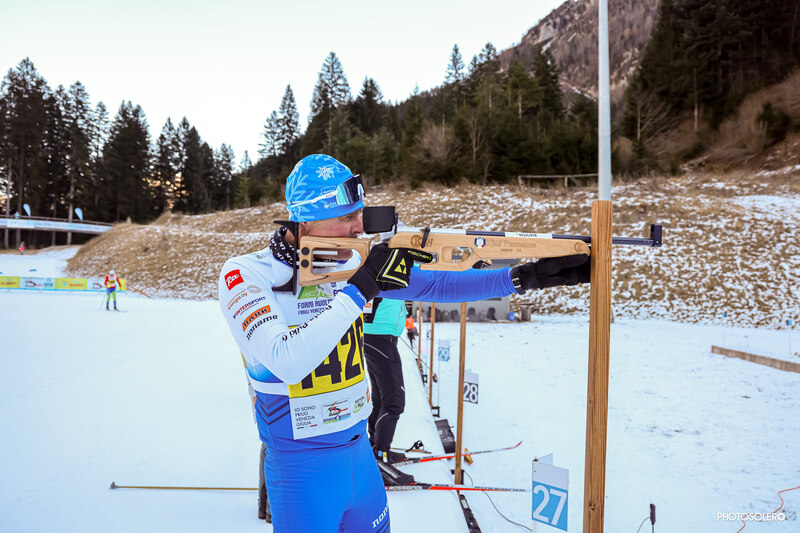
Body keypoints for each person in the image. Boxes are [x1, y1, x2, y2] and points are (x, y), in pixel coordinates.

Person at [217, 154, 590, 533]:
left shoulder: (344, 261)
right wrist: (361, 288)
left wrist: (523, 277)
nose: (358, 227)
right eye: (345, 218)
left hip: (360, 458)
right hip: (302, 469)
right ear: (305, 221)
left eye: (359, 214)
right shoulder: (247, 274)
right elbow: (286, 361)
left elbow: (436, 284)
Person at [364, 297, 410, 468]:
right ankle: (381, 452)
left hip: (376, 333)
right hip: (381, 334)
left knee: (381, 396)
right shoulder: (391, 279)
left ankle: (375, 445)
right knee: (394, 401)